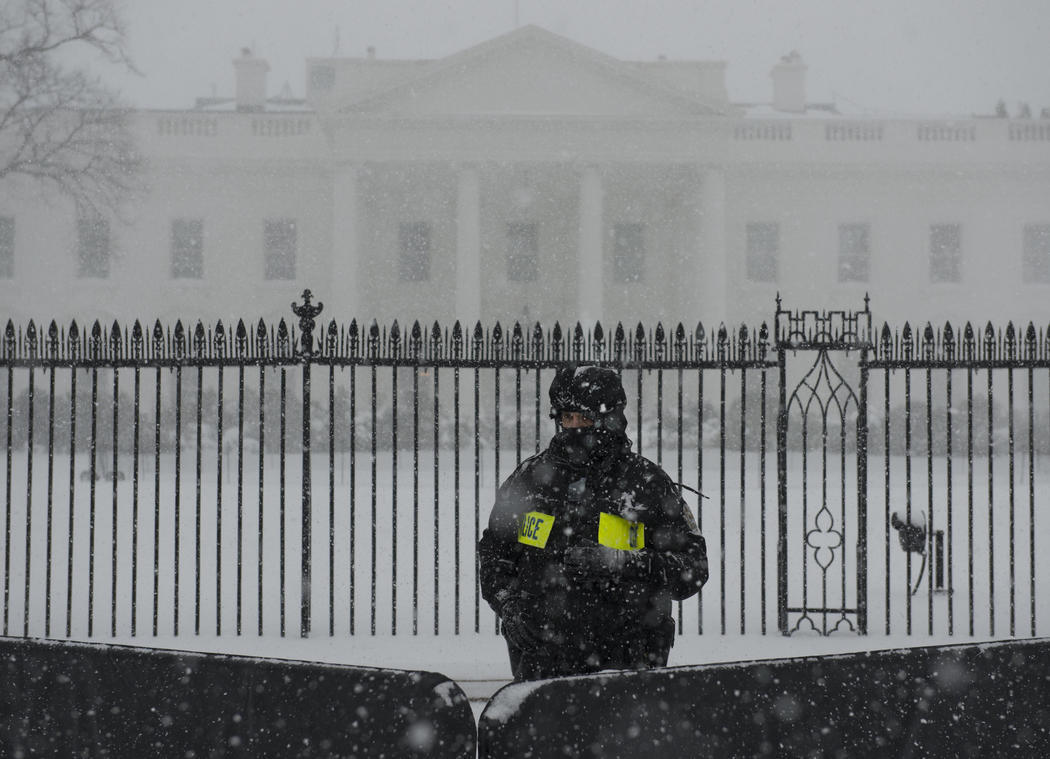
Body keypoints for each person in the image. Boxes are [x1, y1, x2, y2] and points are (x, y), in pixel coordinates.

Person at [478, 365, 709, 682]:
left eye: (584, 419)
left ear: (610, 420)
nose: (573, 428)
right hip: (541, 665)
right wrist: (509, 608)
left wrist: (623, 562)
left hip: (628, 664)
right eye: (566, 418)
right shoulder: (530, 480)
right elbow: (494, 555)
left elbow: (692, 569)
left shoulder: (647, 485)